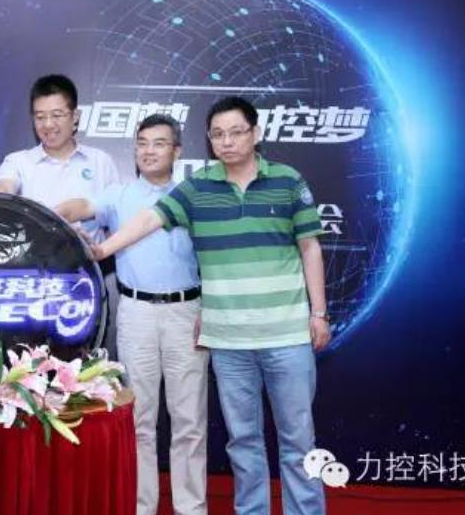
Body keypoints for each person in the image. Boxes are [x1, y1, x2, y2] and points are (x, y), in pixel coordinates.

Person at [92, 96, 330, 515]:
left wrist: (319, 314)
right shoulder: (198, 187)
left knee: (298, 441)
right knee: (244, 443)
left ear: (256, 134)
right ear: (208, 140)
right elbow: (149, 219)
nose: (227, 141)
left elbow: (310, 248)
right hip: (229, 341)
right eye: (218, 134)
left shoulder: (289, 181)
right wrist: (102, 250)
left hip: (287, 335)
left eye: (236, 132)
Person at [56, 114, 208, 515]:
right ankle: (143, 507)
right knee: (139, 418)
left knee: (189, 420)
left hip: (186, 312)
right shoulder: (118, 195)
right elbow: (81, 206)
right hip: (136, 312)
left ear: (177, 150)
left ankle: (192, 508)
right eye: (142, 143)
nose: (148, 151)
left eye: (159, 143)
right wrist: (54, 212)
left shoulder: (194, 196)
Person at [0, 74, 121, 353]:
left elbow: (116, 219)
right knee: (28, 364)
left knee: (85, 366)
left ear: (75, 117)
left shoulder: (101, 162)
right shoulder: (19, 161)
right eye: (40, 117)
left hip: (85, 282)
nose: (48, 125)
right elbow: (4, 186)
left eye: (57, 115)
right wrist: (0, 195)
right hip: (30, 285)